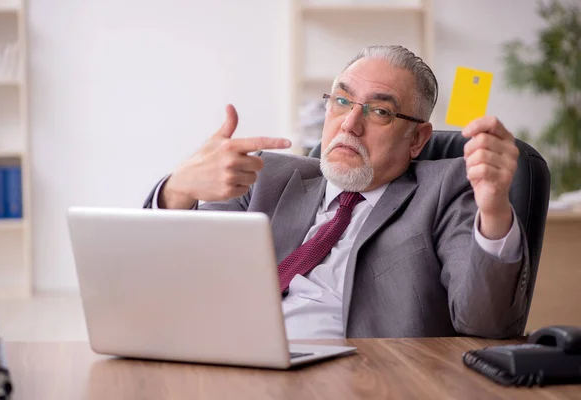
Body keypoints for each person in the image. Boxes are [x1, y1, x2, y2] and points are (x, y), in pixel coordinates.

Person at [143, 45, 529, 339]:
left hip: (367, 378)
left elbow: (487, 324)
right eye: (342, 102)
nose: (350, 124)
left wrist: (494, 209)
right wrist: (178, 190)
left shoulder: (446, 189)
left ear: (417, 139)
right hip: (235, 358)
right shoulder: (265, 174)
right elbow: (181, 281)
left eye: (380, 112)